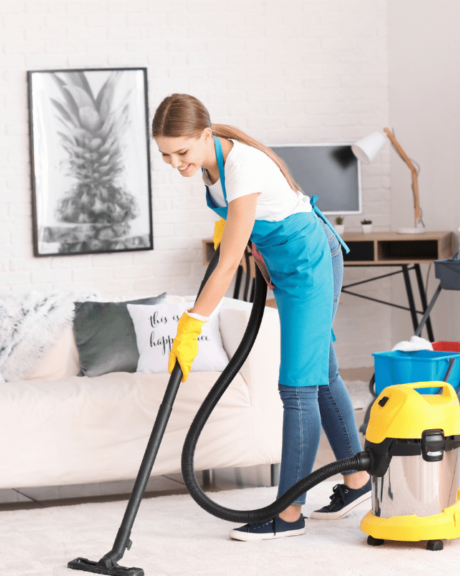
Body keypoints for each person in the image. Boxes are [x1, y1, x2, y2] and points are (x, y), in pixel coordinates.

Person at [152, 94, 370, 541]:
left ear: (206, 135)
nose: (176, 163)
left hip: (310, 263)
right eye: (166, 154)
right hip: (285, 266)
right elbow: (247, 226)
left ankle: (287, 514)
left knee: (297, 385)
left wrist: (192, 323)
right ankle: (358, 483)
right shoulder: (210, 165)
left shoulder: (242, 166)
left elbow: (227, 260)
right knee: (322, 374)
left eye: (182, 151)